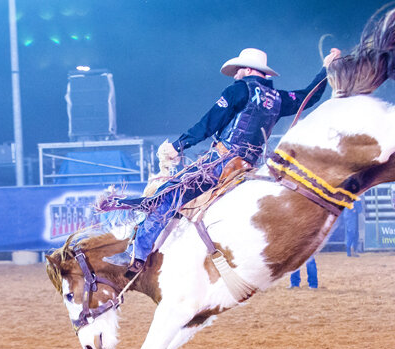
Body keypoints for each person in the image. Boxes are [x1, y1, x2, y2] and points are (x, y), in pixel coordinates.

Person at [104, 47, 341, 272]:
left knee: (168, 194)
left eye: (239, 69)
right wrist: (326, 69)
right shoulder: (278, 98)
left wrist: (179, 145)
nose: (235, 74)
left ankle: (137, 254)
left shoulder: (238, 90)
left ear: (248, 70)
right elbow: (307, 97)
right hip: (250, 166)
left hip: (221, 163)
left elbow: (209, 123)